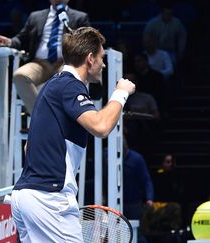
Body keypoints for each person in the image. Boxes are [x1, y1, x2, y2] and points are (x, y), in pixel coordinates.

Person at [9, 27, 136, 242]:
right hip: (49, 199)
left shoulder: (51, 87)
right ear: (90, 58)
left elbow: (28, 147)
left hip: (25, 196)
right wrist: (121, 92)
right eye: (101, 58)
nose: (103, 64)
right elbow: (101, 126)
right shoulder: (69, 85)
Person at [0, 0, 90, 114]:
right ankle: (42, 117)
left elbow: (86, 43)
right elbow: (21, 39)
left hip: (65, 63)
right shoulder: (35, 16)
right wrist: (8, 41)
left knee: (68, 77)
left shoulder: (80, 17)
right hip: (40, 64)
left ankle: (59, 121)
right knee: (20, 76)